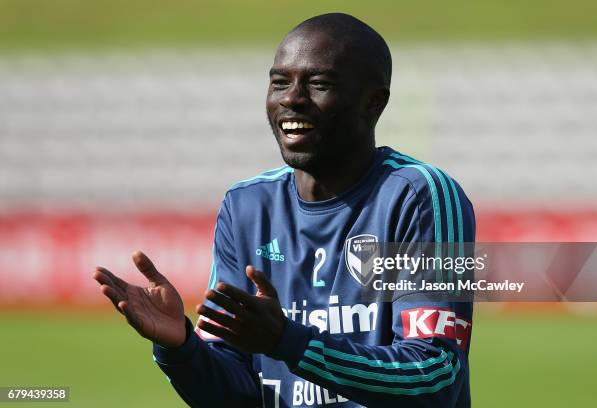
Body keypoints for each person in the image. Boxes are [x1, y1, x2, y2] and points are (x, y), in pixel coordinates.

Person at [93, 13, 475, 408]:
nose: (292, 98)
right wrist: (182, 347)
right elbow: (235, 393)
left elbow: (433, 376)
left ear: (372, 103)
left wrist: (288, 341)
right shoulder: (247, 207)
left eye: (319, 84)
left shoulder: (417, 196)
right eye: (280, 82)